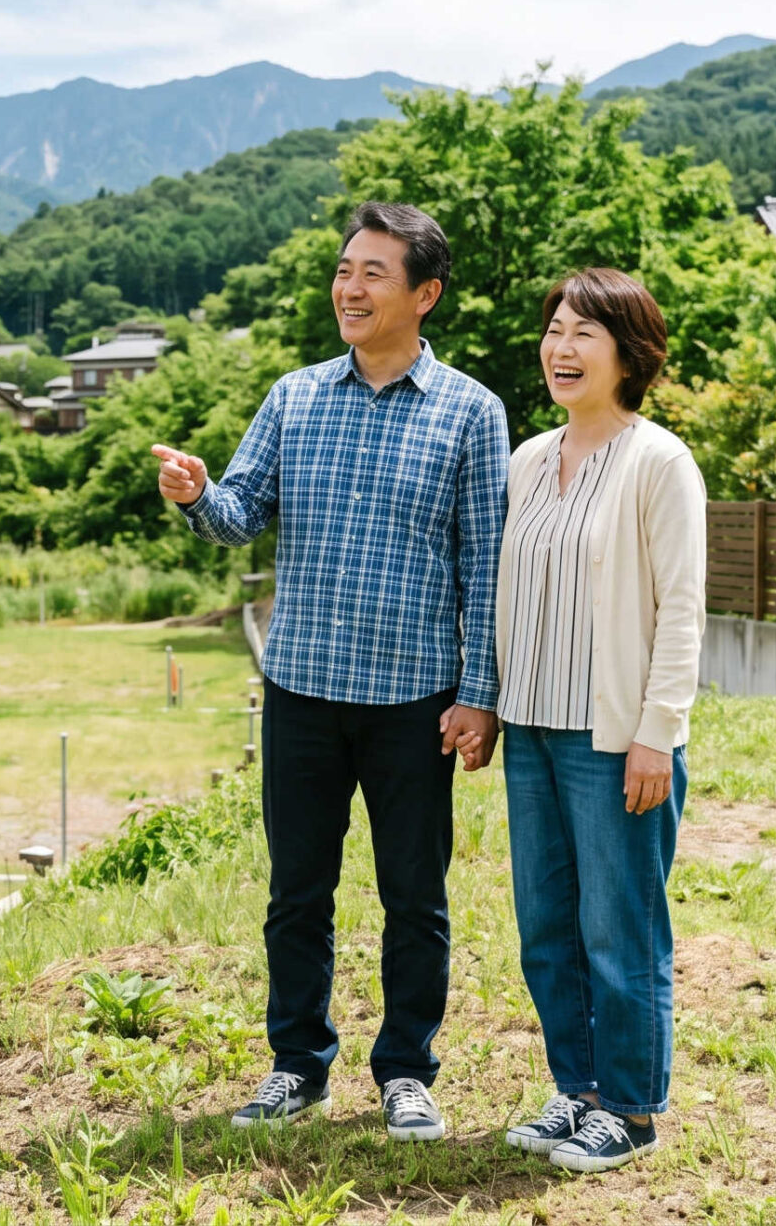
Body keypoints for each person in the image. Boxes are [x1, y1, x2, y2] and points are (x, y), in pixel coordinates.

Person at [153, 201, 508, 1139]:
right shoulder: (294, 395)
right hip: (302, 687)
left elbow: (489, 565)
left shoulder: (473, 411)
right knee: (296, 890)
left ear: (423, 294)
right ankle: (297, 1063)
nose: (350, 287)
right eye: (345, 269)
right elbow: (239, 511)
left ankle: (406, 1070)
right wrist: (197, 494)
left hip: (414, 698)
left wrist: (481, 692)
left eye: (373, 274)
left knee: (414, 896)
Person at [491, 267, 705, 1173]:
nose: (561, 346)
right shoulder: (527, 460)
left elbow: (683, 605)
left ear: (629, 352)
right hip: (531, 727)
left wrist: (658, 727)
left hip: (612, 735)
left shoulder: (660, 460)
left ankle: (632, 1106)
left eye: (584, 331)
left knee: (621, 928)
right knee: (547, 924)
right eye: (553, 329)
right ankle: (575, 1090)